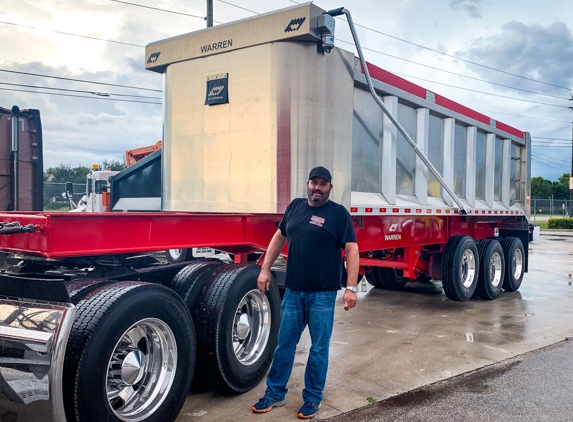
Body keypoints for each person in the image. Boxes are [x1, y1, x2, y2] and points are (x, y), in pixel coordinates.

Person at [252, 166, 359, 419]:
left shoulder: (338, 214)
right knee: (284, 345)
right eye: (314, 182)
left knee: (319, 348)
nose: (317, 188)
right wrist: (264, 269)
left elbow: (352, 250)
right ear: (308, 184)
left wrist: (351, 288)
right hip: (294, 291)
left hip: (322, 294)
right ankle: (275, 394)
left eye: (323, 184)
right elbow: (279, 237)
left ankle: (312, 398)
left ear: (330, 188)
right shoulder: (296, 207)